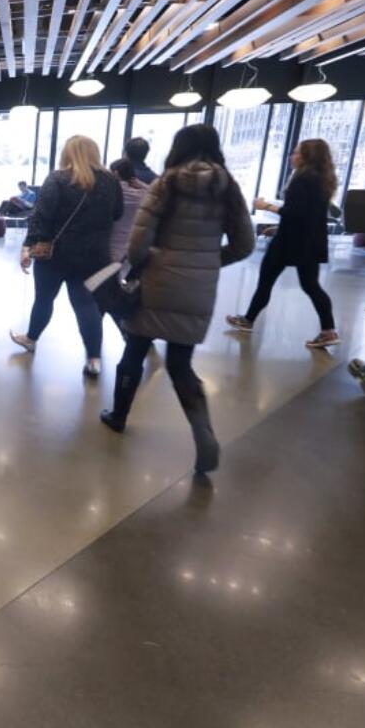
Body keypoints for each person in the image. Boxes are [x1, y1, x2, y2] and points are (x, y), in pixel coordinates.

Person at [101, 125, 255, 476]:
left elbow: (139, 244)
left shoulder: (166, 184)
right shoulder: (228, 187)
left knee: (134, 351)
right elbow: (245, 244)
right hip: (198, 287)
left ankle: (118, 416)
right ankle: (203, 432)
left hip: (156, 280)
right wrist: (208, 260)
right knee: (180, 364)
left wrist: (140, 265)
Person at [10, 135, 123, 377]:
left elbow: (41, 217)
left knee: (44, 299)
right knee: (86, 305)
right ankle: (93, 360)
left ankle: (31, 339)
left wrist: (28, 247)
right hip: (94, 256)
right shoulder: (111, 182)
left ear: (68, 153)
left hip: (55, 255)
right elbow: (117, 213)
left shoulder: (58, 179)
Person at [225, 139, 340, 348]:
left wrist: (265, 205)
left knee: (267, 279)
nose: (292, 156)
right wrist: (280, 227)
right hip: (308, 241)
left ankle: (248, 320)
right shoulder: (321, 180)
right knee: (311, 286)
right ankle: (328, 330)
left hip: (290, 243)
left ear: (307, 157)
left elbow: (294, 212)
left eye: (296, 153)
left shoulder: (303, 179)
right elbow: (307, 215)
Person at [109, 158, 148, 265]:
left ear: (115, 173)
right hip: (128, 245)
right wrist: (141, 184)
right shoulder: (141, 195)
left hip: (110, 242)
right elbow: (154, 195)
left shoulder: (111, 192)